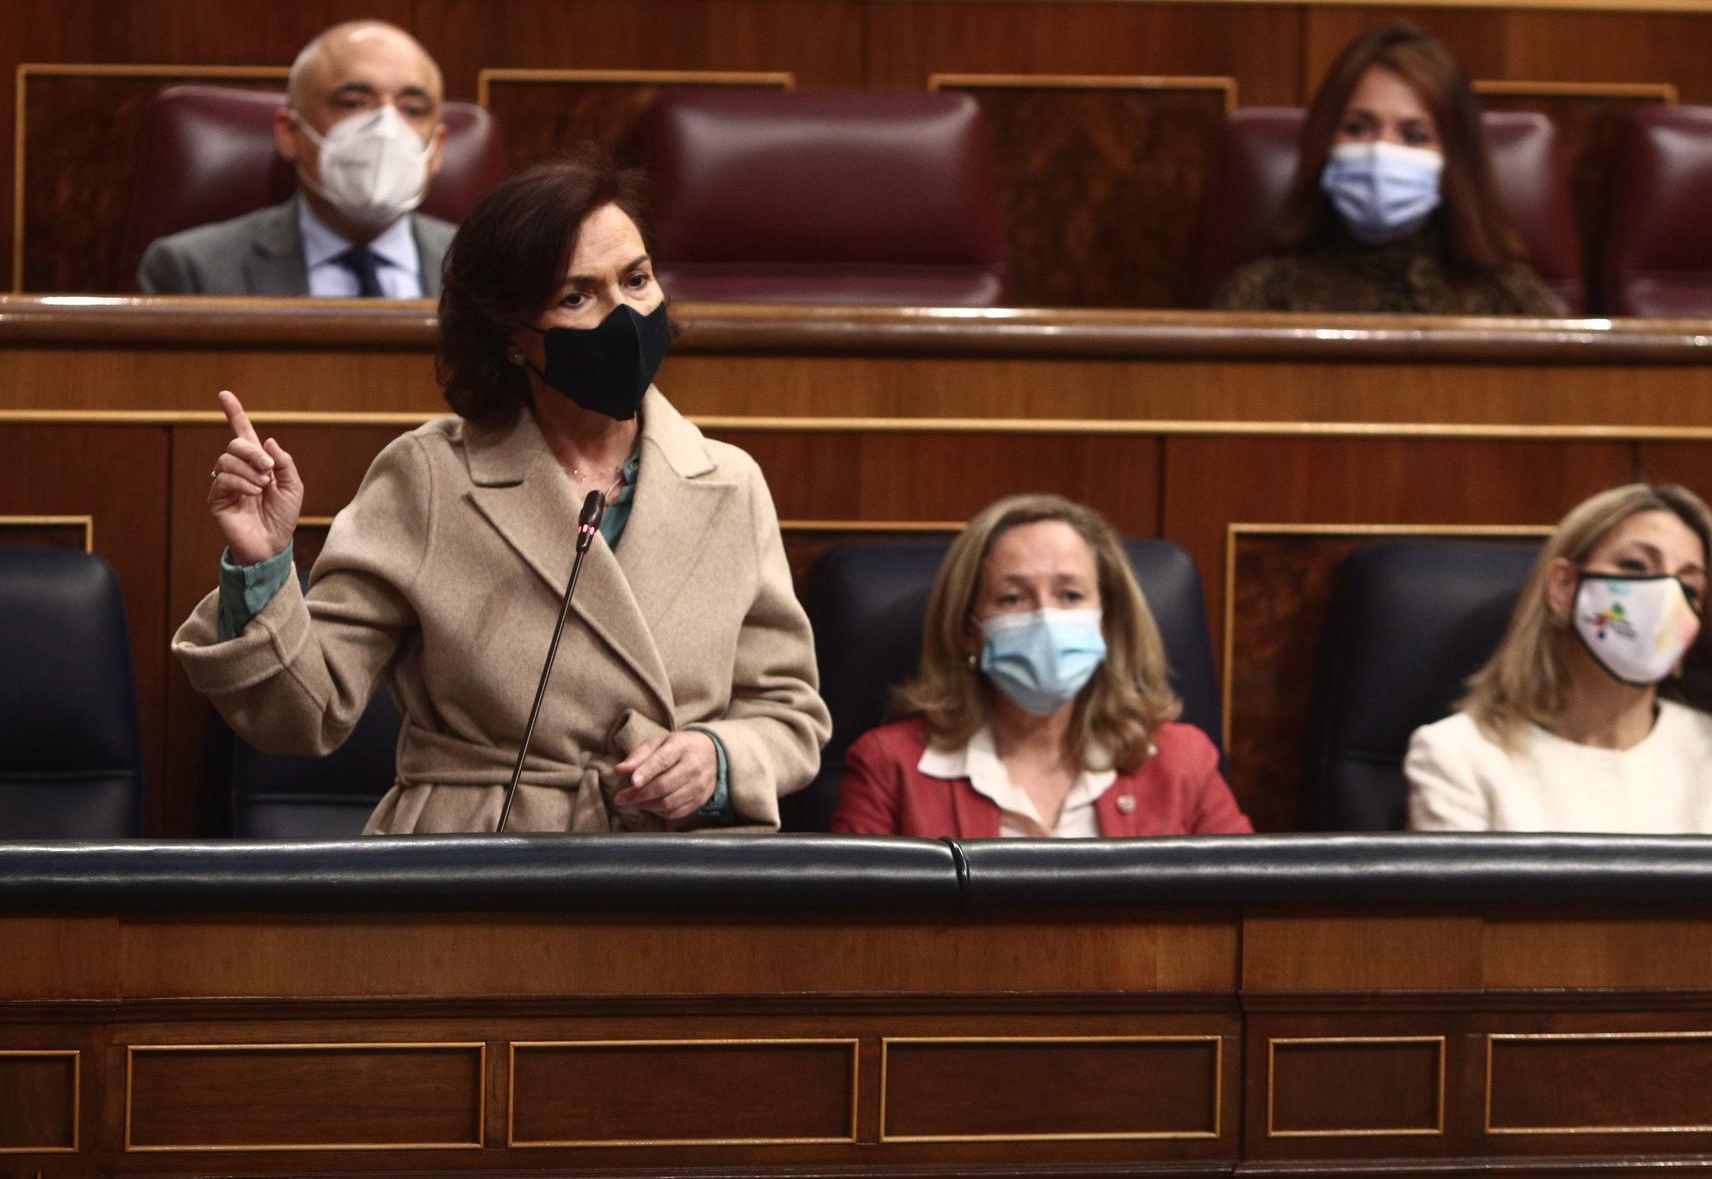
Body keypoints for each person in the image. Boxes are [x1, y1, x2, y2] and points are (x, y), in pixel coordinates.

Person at [172, 155, 830, 832]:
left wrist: (719, 759)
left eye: (636, 280)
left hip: (678, 870)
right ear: (513, 335)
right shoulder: (429, 477)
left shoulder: (728, 481)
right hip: (477, 862)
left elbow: (789, 714)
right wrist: (262, 564)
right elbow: (302, 715)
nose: (624, 316)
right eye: (577, 297)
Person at [1404, 484, 1712, 834]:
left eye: (1689, 587)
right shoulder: (1458, 755)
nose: (1664, 598)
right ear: (1563, 587)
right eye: (1635, 566)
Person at [831, 494, 1251, 838]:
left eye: (1069, 595)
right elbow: (853, 934)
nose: (1045, 618)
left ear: (1106, 622)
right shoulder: (891, 767)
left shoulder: (1182, 762)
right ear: (968, 630)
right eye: (1012, 598)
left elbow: (1249, 911)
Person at [1213, 19, 1560, 315]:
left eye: (1414, 135)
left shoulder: (1513, 302)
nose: (1381, 151)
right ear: (1325, 141)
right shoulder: (1260, 297)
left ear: (1453, 161)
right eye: (1357, 128)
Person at [137, 19, 456, 297]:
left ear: (438, 148)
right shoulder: (193, 271)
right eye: (353, 103)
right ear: (290, 133)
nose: (386, 128)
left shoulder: (490, 269)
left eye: (412, 110)